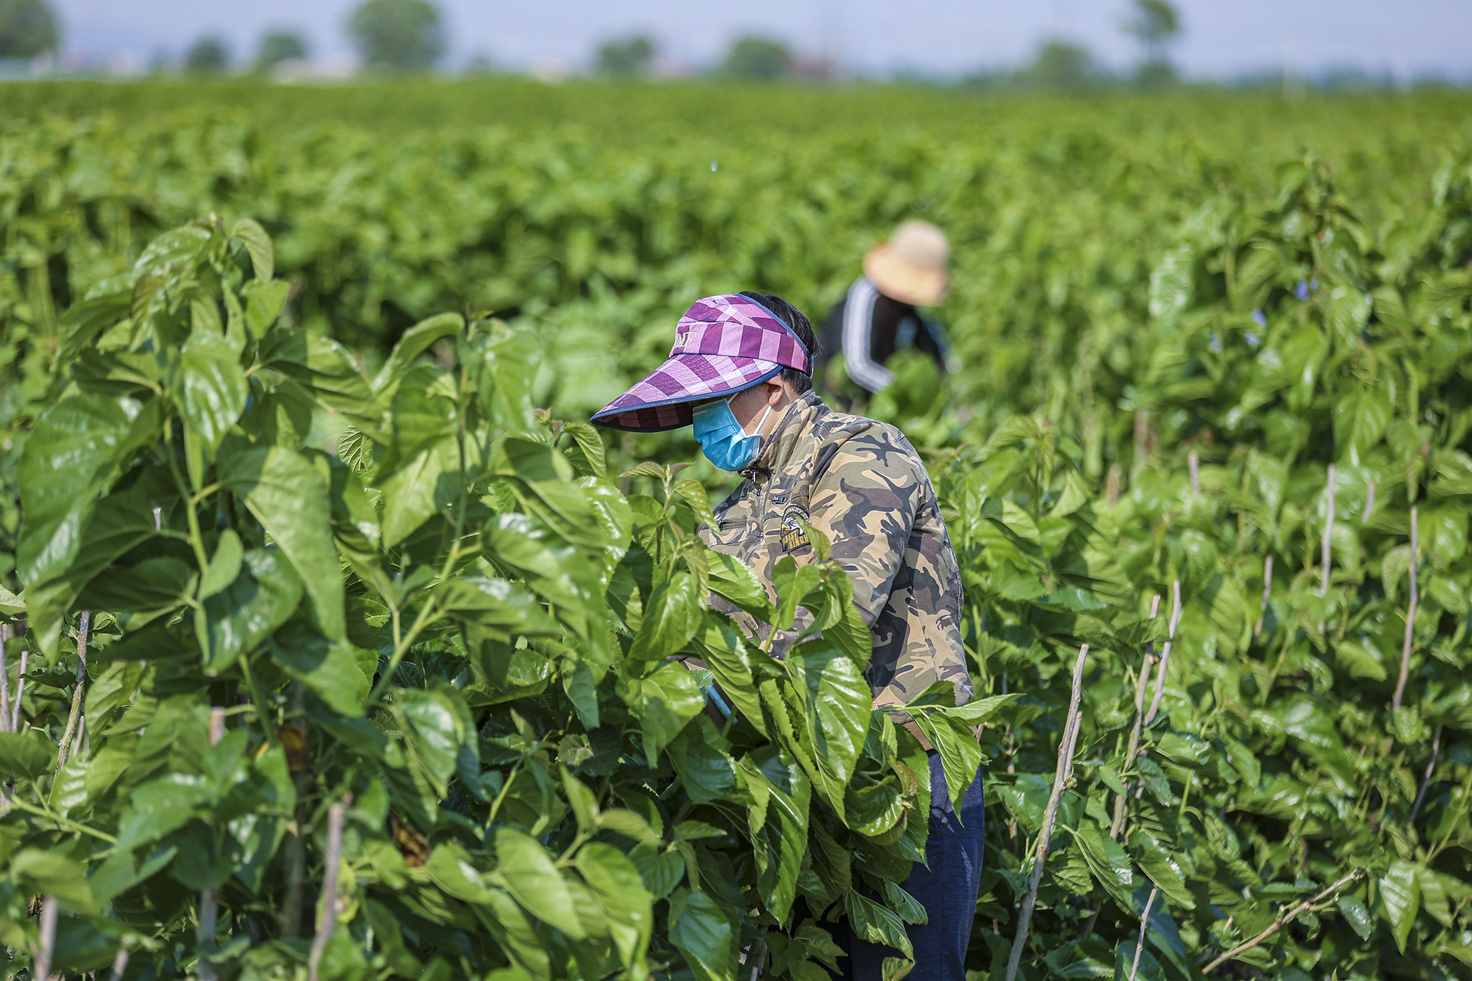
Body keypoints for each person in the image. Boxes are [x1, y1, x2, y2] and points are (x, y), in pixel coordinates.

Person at [592, 291, 982, 981]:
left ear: (773, 389)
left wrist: (698, 694)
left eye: (715, 401)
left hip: (906, 780)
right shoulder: (737, 504)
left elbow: (826, 624)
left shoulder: (864, 454)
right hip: (803, 793)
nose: (701, 423)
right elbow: (702, 635)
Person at [815, 220, 958, 409]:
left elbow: (941, 354)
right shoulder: (866, 295)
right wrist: (905, 392)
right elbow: (856, 366)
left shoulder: (909, 308)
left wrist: (947, 388)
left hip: (876, 402)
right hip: (836, 399)